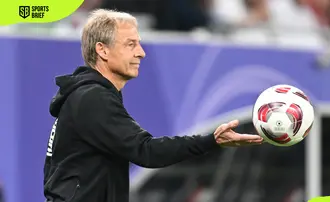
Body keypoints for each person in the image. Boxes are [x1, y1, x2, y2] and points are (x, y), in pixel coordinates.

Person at [43, 9, 263, 202]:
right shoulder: (93, 98)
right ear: (102, 50)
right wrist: (211, 139)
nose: (141, 52)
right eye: (131, 44)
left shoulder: (82, 96)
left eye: (138, 43)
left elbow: (54, 173)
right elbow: (147, 151)